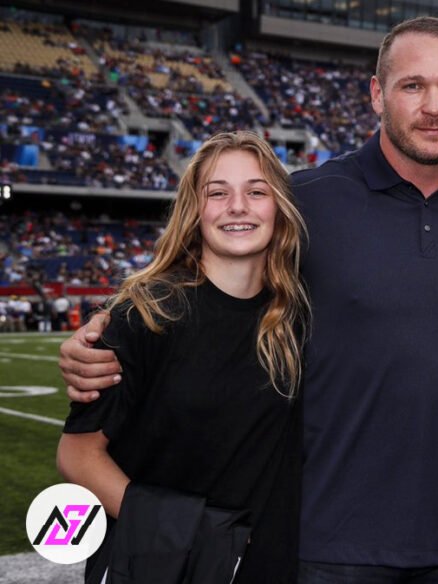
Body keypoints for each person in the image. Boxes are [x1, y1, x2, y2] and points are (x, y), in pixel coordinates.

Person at [59, 17, 438, 583]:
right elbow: (210, 262)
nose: (434, 106)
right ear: (377, 94)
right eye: (412, 85)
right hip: (327, 544)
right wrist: (106, 326)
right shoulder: (305, 199)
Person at [56, 131, 309, 583]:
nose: (238, 206)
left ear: (279, 207)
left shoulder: (297, 316)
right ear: (195, 209)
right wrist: (189, 532)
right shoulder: (145, 315)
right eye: (218, 193)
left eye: (257, 192)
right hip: (160, 565)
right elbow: (77, 456)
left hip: (268, 566)